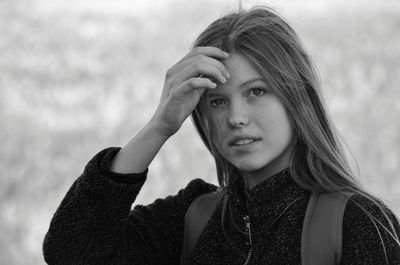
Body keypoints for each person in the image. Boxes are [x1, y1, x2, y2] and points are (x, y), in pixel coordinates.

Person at [43, 6, 400, 265]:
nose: (236, 118)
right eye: (216, 101)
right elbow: (71, 251)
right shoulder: (193, 218)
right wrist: (159, 127)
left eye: (256, 91)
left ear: (297, 98)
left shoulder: (358, 223)